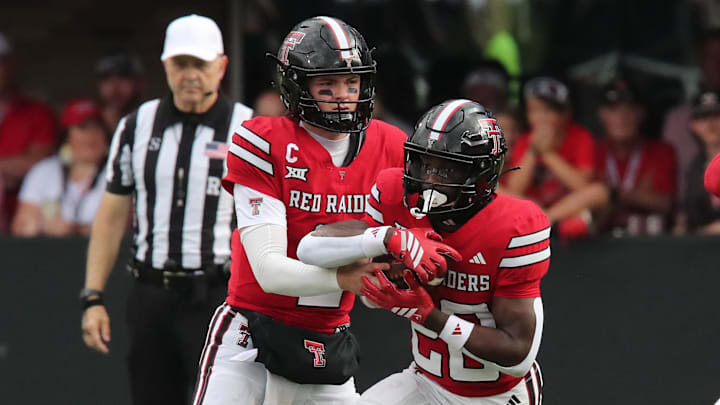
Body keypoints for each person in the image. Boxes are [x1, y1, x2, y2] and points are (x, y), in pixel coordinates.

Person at [191, 16, 408, 405]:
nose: (343, 95)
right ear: (296, 86)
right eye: (327, 85)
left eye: (351, 83)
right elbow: (270, 271)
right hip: (251, 337)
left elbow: (383, 284)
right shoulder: (264, 141)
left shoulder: (391, 146)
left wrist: (393, 279)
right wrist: (348, 278)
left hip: (327, 343)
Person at [297, 99, 548, 404]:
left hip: (495, 396)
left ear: (480, 174)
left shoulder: (515, 225)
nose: (428, 178)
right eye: (423, 163)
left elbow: (517, 354)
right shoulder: (395, 196)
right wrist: (390, 239)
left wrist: (428, 314)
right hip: (425, 383)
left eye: (445, 169)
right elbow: (309, 249)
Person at [80, 14, 253, 405]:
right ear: (165, 66)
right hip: (150, 295)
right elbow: (110, 216)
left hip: (219, 296)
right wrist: (92, 297)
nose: (190, 74)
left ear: (221, 66)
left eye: (200, 64)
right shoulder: (136, 125)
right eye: (181, 63)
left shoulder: (249, 129)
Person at [505, 76, 604, 237]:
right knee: (501, 194)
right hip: (533, 208)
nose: (541, 117)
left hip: (567, 209)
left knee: (599, 192)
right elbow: (514, 189)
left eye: (548, 110)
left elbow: (583, 187)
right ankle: (544, 221)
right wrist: (532, 151)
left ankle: (547, 221)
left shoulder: (580, 137)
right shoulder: (525, 141)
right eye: (534, 110)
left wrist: (548, 154)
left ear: (566, 113)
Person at [12, 99, 108, 236]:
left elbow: (123, 226)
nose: (90, 135)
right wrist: (40, 226)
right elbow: (20, 225)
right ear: (67, 136)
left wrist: (73, 229)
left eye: (97, 128)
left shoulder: (118, 172)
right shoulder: (44, 171)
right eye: (83, 128)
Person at [594, 79, 677, 236]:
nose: (622, 117)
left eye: (629, 110)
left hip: (650, 242)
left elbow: (665, 203)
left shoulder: (661, 150)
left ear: (641, 114)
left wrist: (611, 195)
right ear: (602, 115)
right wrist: (638, 196)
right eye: (614, 110)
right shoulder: (593, 150)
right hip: (599, 242)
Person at [0, 32, 57, 232]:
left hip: (26, 225)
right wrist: (11, 169)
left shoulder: (37, 113)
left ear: (10, 64)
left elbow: (40, 164)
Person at [663, 29, 720, 203]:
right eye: (712, 57)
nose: (710, 124)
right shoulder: (678, 117)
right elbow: (712, 180)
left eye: (716, 116)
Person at [677, 90, 720, 234]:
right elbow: (689, 221)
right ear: (693, 125)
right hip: (703, 250)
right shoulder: (694, 168)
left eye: (716, 115)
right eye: (703, 117)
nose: (710, 124)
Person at [95, 48, 144, 132]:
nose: (115, 87)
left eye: (123, 77)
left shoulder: (150, 123)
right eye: (106, 78)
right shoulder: (89, 129)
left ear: (139, 82)